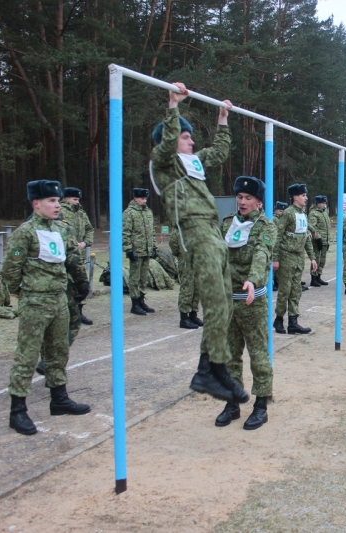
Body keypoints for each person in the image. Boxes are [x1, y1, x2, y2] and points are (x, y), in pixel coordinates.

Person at [149, 81, 248, 405]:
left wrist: (222, 119)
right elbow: (166, 145)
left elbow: (219, 151)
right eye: (185, 136)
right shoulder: (163, 162)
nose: (191, 141)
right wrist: (173, 106)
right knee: (216, 303)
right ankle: (214, 369)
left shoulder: (193, 163)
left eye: (191, 136)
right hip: (194, 232)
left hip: (213, 231)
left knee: (225, 304)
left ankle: (208, 368)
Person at [3, 180, 91, 435]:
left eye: (57, 200)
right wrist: (27, 293)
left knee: (58, 351)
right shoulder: (25, 232)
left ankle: (59, 399)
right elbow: (10, 273)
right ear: (36, 203)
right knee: (28, 356)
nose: (57, 205)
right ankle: (17, 410)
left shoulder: (61, 230)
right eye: (51, 201)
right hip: (35, 303)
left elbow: (67, 263)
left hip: (59, 301)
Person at [215, 176, 276, 430]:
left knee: (258, 355)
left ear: (258, 202)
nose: (242, 202)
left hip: (252, 302)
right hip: (228, 302)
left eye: (248, 198)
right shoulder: (228, 222)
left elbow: (262, 254)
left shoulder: (266, 227)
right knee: (230, 356)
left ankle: (261, 406)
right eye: (239, 197)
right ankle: (233, 403)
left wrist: (252, 279)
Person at [272, 183, 317, 334]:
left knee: (296, 291)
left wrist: (312, 258)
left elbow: (306, 238)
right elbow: (277, 237)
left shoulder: (303, 214)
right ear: (295, 197)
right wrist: (275, 258)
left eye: (306, 195)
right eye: (303, 195)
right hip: (286, 257)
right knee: (285, 290)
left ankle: (293, 322)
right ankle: (278, 319)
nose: (306, 198)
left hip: (298, 258)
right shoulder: (288, 213)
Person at [60, 187, 95, 324]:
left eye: (78, 199)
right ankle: (67, 314)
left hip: (79, 255)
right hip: (65, 256)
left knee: (81, 283)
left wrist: (85, 243)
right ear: (66, 198)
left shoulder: (81, 213)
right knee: (67, 284)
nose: (77, 202)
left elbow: (89, 229)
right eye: (74, 199)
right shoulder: (60, 212)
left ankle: (79, 313)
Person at [122, 188, 157, 316]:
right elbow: (126, 233)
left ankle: (141, 300)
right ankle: (134, 303)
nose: (144, 201)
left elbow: (151, 231)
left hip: (146, 250)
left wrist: (154, 247)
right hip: (136, 251)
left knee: (144, 278)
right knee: (134, 278)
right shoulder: (129, 213)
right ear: (135, 198)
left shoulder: (148, 212)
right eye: (142, 198)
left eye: (145, 198)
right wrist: (129, 250)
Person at [169, 227, 202, 329]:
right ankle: (184, 318)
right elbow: (173, 242)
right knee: (187, 289)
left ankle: (193, 315)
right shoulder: (181, 226)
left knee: (196, 289)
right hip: (186, 262)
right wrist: (180, 254)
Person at [308, 195, 331, 287]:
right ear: (318, 203)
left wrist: (328, 240)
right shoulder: (313, 213)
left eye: (325, 203)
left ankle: (319, 276)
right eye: (323, 203)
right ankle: (313, 278)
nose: (324, 205)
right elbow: (312, 227)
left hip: (325, 240)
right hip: (318, 240)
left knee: (322, 260)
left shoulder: (324, 212)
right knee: (316, 259)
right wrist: (317, 238)